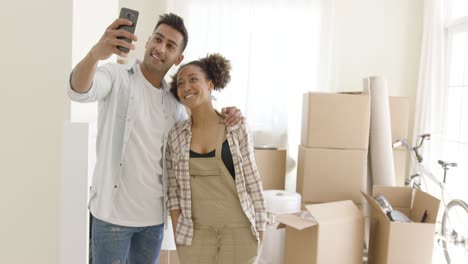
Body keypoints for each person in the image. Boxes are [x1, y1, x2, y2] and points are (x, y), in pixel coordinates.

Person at [67, 13, 242, 264]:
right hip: (111, 218)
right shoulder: (117, 76)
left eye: (170, 46)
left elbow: (200, 132)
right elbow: (79, 91)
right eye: (158, 39)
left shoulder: (175, 103)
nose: (161, 48)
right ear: (148, 40)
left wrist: (230, 115)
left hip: (153, 222)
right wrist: (95, 54)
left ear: (178, 58)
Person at [166, 53, 267, 264]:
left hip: (239, 232)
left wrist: (260, 227)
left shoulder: (235, 126)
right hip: (195, 235)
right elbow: (173, 190)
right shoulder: (175, 135)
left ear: (210, 84)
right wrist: (178, 230)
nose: (186, 87)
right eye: (181, 83)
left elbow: (252, 179)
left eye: (193, 79)